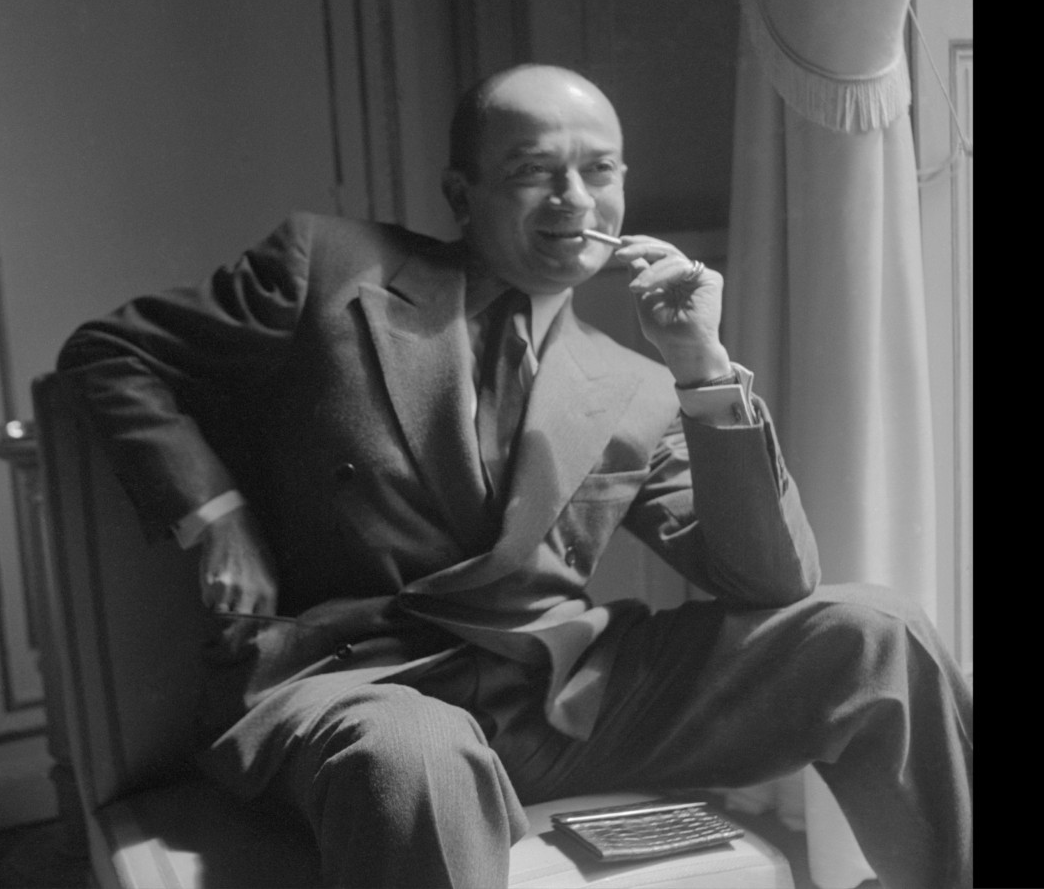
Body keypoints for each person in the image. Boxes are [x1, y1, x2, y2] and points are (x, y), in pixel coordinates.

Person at [57, 64, 971, 889]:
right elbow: (110, 352)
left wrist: (701, 368)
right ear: (463, 193)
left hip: (563, 700)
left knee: (875, 632)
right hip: (363, 688)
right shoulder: (328, 268)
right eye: (536, 171)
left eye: (600, 170)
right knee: (419, 751)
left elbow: (771, 580)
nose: (575, 198)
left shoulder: (637, 381)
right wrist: (214, 511)